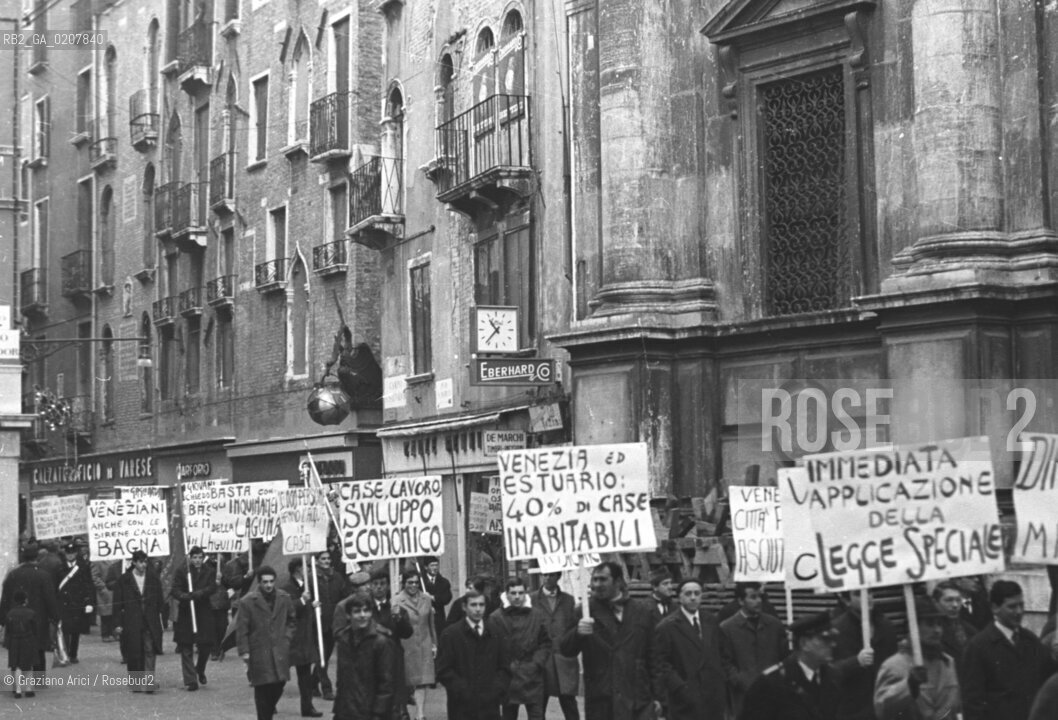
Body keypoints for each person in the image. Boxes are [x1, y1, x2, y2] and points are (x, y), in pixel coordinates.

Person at [559, 561, 656, 720]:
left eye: (603, 579)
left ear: (618, 582)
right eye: (594, 579)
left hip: (637, 698)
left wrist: (658, 696)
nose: (597, 584)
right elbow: (565, 649)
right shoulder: (584, 611)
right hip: (602, 700)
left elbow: (654, 655)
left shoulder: (641, 611)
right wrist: (578, 633)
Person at [962, 580, 1049, 720]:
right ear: (995, 608)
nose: (1019, 611)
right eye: (1012, 607)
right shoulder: (978, 646)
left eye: (1021, 605)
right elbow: (973, 702)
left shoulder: (1031, 641)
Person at [651, 578, 734, 720]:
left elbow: (723, 653)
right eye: (688, 594)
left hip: (713, 696)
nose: (693, 597)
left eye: (697, 593)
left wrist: (721, 680)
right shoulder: (667, 626)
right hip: (685, 700)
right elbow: (661, 664)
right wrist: (679, 687)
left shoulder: (711, 621)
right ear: (680, 597)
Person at [873, 596, 961, 720]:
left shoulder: (948, 662)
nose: (937, 630)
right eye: (930, 624)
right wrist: (909, 686)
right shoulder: (893, 665)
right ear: (912, 628)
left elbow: (954, 707)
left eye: (939, 624)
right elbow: (881, 709)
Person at [741, 611, 840, 720]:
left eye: (832, 639)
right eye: (824, 639)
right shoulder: (771, 683)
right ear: (804, 643)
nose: (832, 644)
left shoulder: (833, 678)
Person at [436, 590, 512, 720]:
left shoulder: (496, 633)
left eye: (481, 605)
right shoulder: (451, 634)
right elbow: (443, 669)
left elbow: (504, 666)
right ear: (464, 607)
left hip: (490, 705)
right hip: (461, 706)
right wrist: (461, 689)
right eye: (473, 605)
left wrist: (496, 689)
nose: (478, 609)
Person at [236, 565, 297, 720]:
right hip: (259, 651)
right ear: (259, 582)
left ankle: (267, 713)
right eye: (265, 582)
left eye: (271, 581)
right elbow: (242, 628)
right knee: (262, 689)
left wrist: (287, 638)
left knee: (279, 684)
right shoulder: (248, 601)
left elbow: (292, 620)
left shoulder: (284, 597)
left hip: (280, 650)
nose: (269, 585)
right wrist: (244, 651)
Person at [487, 576, 551, 720]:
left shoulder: (536, 615)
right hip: (508, 678)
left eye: (520, 593)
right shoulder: (496, 618)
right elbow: (490, 648)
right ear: (507, 594)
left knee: (537, 716)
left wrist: (537, 663)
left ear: (525, 593)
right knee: (509, 715)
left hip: (532, 677)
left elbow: (545, 643)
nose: (517, 597)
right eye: (513, 593)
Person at [720, 581, 788, 717]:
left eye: (760, 597)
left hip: (773, 694)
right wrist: (740, 680)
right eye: (753, 597)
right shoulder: (726, 628)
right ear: (740, 600)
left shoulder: (774, 625)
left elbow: (784, 657)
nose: (758, 601)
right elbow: (724, 662)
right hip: (743, 695)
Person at [831, 589, 899, 720]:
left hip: (884, 706)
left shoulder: (886, 625)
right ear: (846, 601)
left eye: (870, 592)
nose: (867, 597)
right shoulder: (837, 629)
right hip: (853, 709)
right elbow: (829, 671)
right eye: (858, 594)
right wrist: (856, 661)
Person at [332, 589, 397, 720]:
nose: (363, 615)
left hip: (370, 711)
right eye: (357, 611)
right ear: (348, 615)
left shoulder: (380, 642)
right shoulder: (344, 640)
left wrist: (378, 714)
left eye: (366, 611)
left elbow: (386, 684)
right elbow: (342, 680)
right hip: (346, 711)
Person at [0, 543, 60, 682]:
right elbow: (50, 598)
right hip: (39, 618)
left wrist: (2, 620)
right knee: (39, 648)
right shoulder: (44, 575)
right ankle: (39, 680)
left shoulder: (13, 575)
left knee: (17, 649)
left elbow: (5, 599)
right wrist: (55, 617)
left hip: (16, 619)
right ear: (37, 558)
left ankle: (19, 680)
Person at [529, 572, 579, 720]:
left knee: (568, 700)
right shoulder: (532, 599)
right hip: (541, 659)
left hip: (563, 658)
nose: (547, 578)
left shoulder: (568, 600)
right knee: (538, 703)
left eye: (551, 575)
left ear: (558, 577)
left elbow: (572, 627)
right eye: (544, 575)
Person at [112, 550, 163, 693]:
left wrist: (157, 616)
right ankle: (135, 682)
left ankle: (149, 682)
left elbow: (160, 599)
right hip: (131, 621)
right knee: (134, 651)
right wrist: (117, 624)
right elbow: (117, 603)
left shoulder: (153, 578)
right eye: (140, 562)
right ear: (134, 562)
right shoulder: (124, 580)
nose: (143, 565)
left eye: (145, 562)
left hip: (149, 621)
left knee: (149, 650)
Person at [367, 567, 413, 720]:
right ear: (370, 586)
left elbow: (407, 633)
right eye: (375, 584)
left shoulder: (396, 608)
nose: (379, 587)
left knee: (394, 697)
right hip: (370, 659)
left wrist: (398, 618)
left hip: (393, 659)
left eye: (382, 584)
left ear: (388, 586)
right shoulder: (365, 608)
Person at [171, 546, 217, 691]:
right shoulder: (182, 571)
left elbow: (212, 588)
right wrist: (184, 596)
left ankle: (200, 669)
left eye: (200, 557)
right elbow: (175, 589)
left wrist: (200, 593)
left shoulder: (209, 571)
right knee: (186, 645)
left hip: (203, 611)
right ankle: (191, 680)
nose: (197, 560)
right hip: (187, 613)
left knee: (206, 645)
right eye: (194, 557)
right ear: (190, 558)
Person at [393, 569, 436, 720]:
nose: (413, 585)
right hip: (406, 646)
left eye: (416, 582)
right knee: (406, 681)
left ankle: (420, 714)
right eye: (410, 582)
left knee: (422, 681)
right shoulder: (397, 600)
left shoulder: (426, 598)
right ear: (404, 583)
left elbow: (431, 624)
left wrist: (434, 644)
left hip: (424, 643)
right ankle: (403, 711)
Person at [283, 558, 323, 718]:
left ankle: (307, 707)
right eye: (306, 567)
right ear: (298, 569)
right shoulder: (287, 587)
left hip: (304, 638)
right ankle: (269, 703)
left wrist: (312, 606)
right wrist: (302, 600)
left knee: (305, 676)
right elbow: (286, 608)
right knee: (280, 677)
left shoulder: (308, 587)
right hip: (291, 639)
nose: (308, 569)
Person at [312, 549, 349, 701]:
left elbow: (343, 596)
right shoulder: (311, 578)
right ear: (316, 561)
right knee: (320, 655)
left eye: (328, 558)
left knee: (325, 656)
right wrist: (312, 604)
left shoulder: (337, 577)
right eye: (323, 559)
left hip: (333, 621)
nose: (326, 561)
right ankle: (326, 688)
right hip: (317, 623)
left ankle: (311, 684)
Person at [56, 541, 95, 664]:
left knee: (76, 631)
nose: (70, 555)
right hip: (64, 602)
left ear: (76, 553)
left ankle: (73, 654)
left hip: (77, 602)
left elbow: (88, 585)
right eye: (68, 553)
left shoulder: (83, 566)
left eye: (72, 553)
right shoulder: (60, 567)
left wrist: (89, 602)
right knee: (65, 629)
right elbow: (55, 585)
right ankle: (65, 653)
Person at [932, 580, 976, 682]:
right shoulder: (930, 633)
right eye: (949, 600)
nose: (955, 605)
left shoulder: (971, 630)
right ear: (935, 603)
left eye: (958, 600)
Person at [5, 589, 39, 698]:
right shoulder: (31, 613)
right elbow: (35, 629)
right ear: (25, 600)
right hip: (28, 640)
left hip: (14, 641)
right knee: (28, 665)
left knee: (17, 666)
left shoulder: (10, 613)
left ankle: (18, 690)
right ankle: (28, 689)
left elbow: (8, 630)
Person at [420, 556, 453, 640]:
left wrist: (432, 597)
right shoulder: (420, 582)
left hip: (438, 617)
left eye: (436, 565)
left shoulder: (444, 582)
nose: (435, 568)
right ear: (425, 567)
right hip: (423, 617)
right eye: (432, 565)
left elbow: (447, 598)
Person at [208, 553, 231, 661]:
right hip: (210, 602)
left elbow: (230, 583)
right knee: (212, 628)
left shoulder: (226, 569)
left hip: (222, 603)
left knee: (222, 627)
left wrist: (223, 578)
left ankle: (219, 647)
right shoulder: (206, 568)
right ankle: (214, 650)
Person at [91, 558, 116, 643]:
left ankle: (114, 632)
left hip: (116, 589)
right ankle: (105, 634)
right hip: (105, 590)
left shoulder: (118, 558)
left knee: (116, 612)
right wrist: (102, 587)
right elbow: (94, 576)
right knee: (105, 614)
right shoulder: (98, 560)